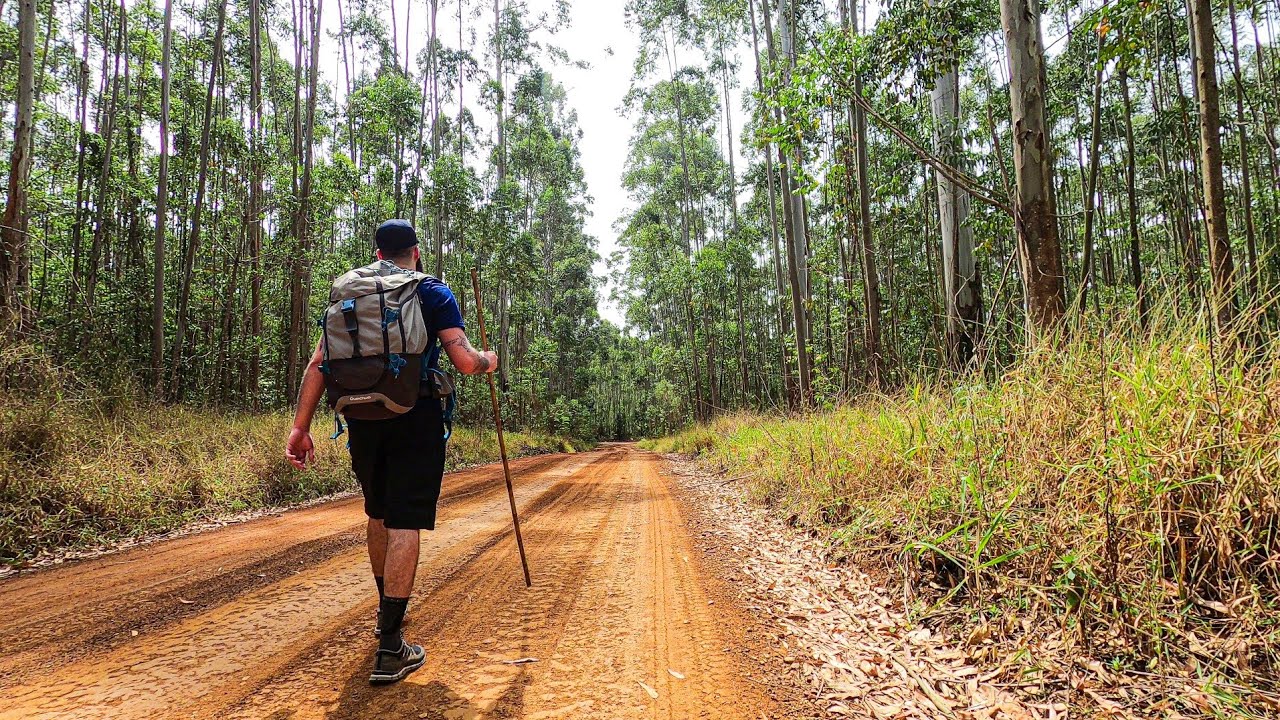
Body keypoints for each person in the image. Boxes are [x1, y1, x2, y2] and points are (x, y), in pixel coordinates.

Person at [285, 219, 497, 685]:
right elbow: (463, 360)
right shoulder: (431, 292)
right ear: (415, 252)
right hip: (414, 415)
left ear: (378, 252)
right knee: (405, 521)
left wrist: (300, 428)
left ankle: (389, 616)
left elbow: (319, 363)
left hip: (361, 419)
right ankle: (390, 646)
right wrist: (488, 359)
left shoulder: (351, 293)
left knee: (379, 515)